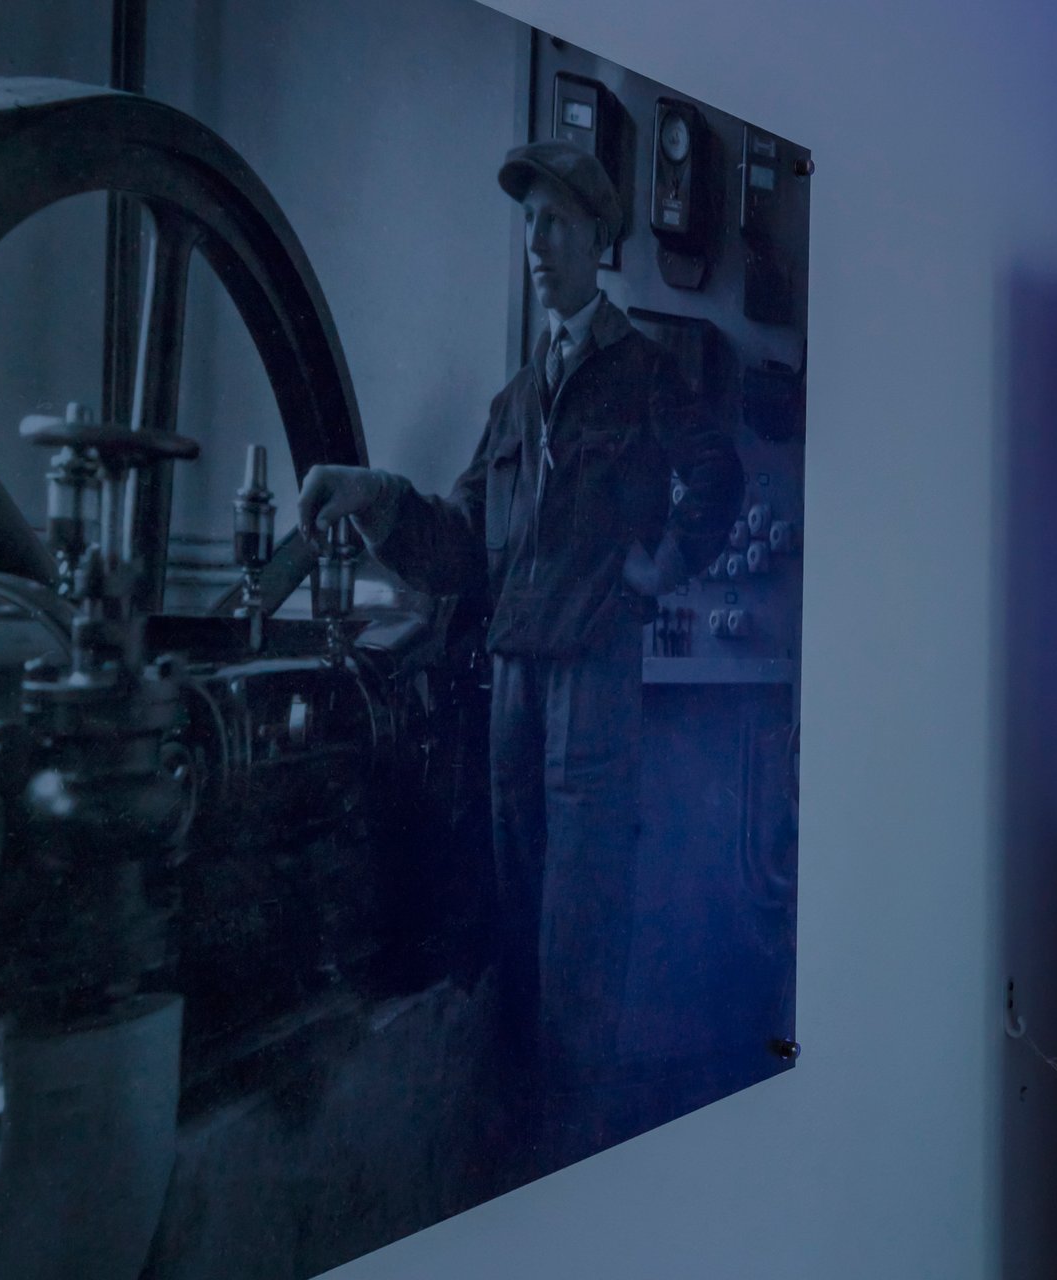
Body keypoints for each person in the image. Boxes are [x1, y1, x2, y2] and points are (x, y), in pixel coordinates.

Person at [297, 140, 742, 1139]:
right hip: (512, 687)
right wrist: (374, 495)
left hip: (592, 682)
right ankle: (511, 1170)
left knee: (580, 946)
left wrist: (662, 566)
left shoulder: (642, 370)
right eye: (527, 223)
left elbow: (717, 474)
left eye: (553, 223)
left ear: (597, 238)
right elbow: (459, 548)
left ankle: (571, 1161)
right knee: (514, 930)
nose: (534, 242)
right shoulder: (513, 401)